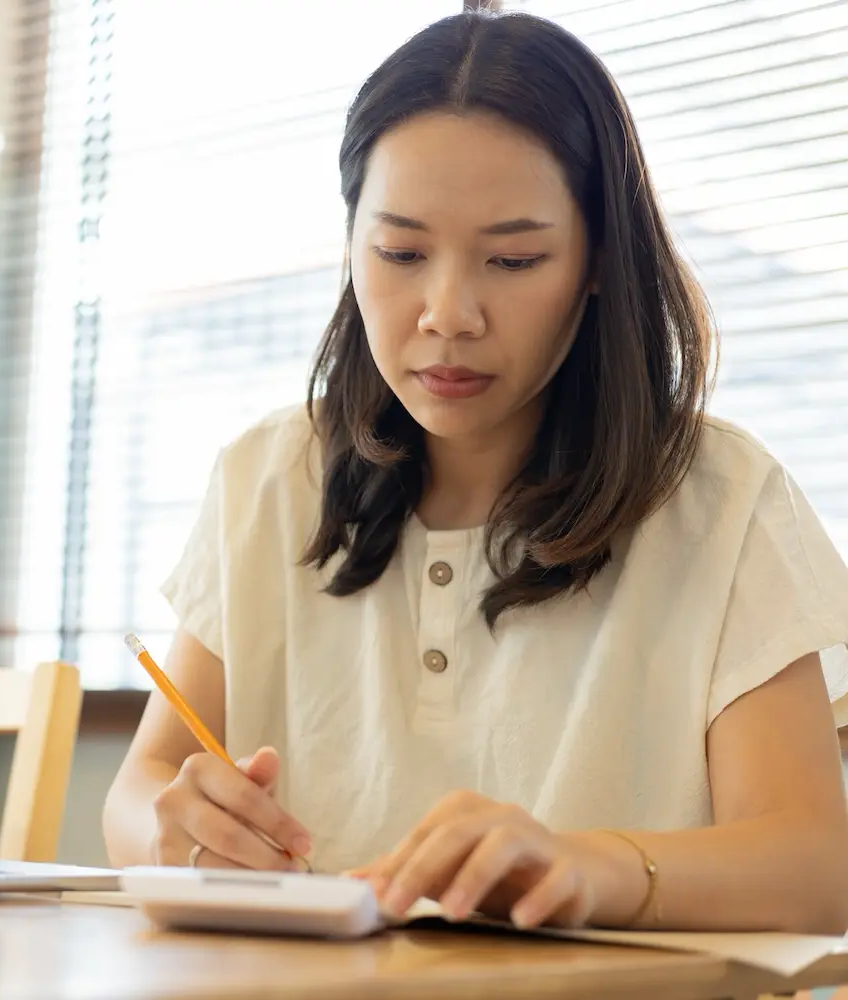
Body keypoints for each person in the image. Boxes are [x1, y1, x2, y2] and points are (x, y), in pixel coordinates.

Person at [101, 8, 848, 934]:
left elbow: (817, 867)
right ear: (350, 245)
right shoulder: (268, 477)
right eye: (401, 253)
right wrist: (174, 828)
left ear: (599, 262)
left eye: (513, 258)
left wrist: (588, 868)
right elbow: (140, 791)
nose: (449, 313)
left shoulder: (720, 501)